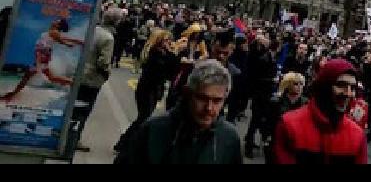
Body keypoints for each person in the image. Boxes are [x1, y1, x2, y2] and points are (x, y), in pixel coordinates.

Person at [114, 59, 242, 164]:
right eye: (202, 98)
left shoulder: (229, 138)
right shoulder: (154, 130)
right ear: (187, 93)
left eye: (217, 101)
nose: (209, 108)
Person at [272, 59, 367, 164]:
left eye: (353, 88)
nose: (348, 93)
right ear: (324, 87)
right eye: (341, 85)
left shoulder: (357, 135)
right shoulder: (289, 125)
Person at [113, 29, 183, 152]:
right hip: (147, 90)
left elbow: (171, 72)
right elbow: (164, 70)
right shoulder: (155, 53)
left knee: (143, 117)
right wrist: (174, 53)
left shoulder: (162, 53)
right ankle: (125, 143)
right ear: (159, 41)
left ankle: (126, 143)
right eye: (166, 40)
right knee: (143, 118)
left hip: (152, 90)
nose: (169, 42)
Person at [1, 18, 86, 101]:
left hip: (41, 58)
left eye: (57, 21)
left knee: (27, 77)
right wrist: (78, 42)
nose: (54, 21)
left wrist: (70, 44)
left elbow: (63, 41)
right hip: (42, 57)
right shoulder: (53, 32)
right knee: (51, 77)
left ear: (58, 25)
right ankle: (73, 83)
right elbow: (64, 39)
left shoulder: (54, 32)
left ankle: (11, 95)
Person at [262, 72, 308, 163]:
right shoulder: (276, 102)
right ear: (288, 84)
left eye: (301, 84)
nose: (299, 86)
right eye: (296, 84)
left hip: (298, 143)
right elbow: (268, 122)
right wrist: (266, 139)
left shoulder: (306, 103)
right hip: (278, 141)